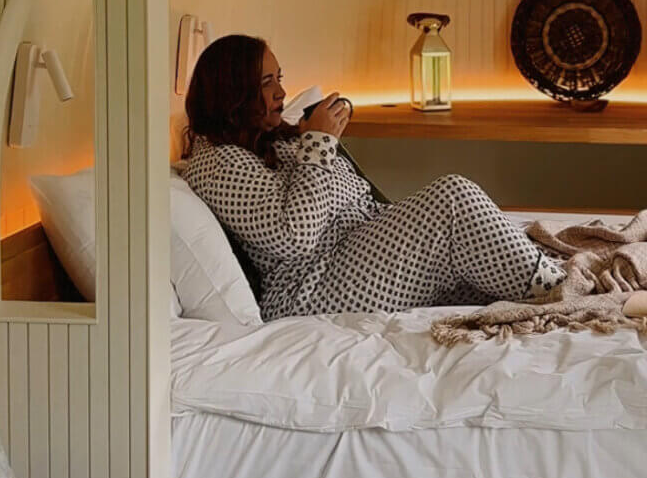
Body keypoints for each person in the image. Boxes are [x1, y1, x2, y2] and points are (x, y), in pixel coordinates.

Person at [182, 34, 565, 322]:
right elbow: (293, 236)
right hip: (313, 288)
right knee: (452, 198)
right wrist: (318, 143)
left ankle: (552, 279)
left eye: (279, 78)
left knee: (480, 267)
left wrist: (307, 143)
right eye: (267, 82)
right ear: (232, 93)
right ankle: (566, 292)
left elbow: (349, 194)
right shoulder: (218, 164)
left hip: (355, 256)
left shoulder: (272, 140)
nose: (281, 91)